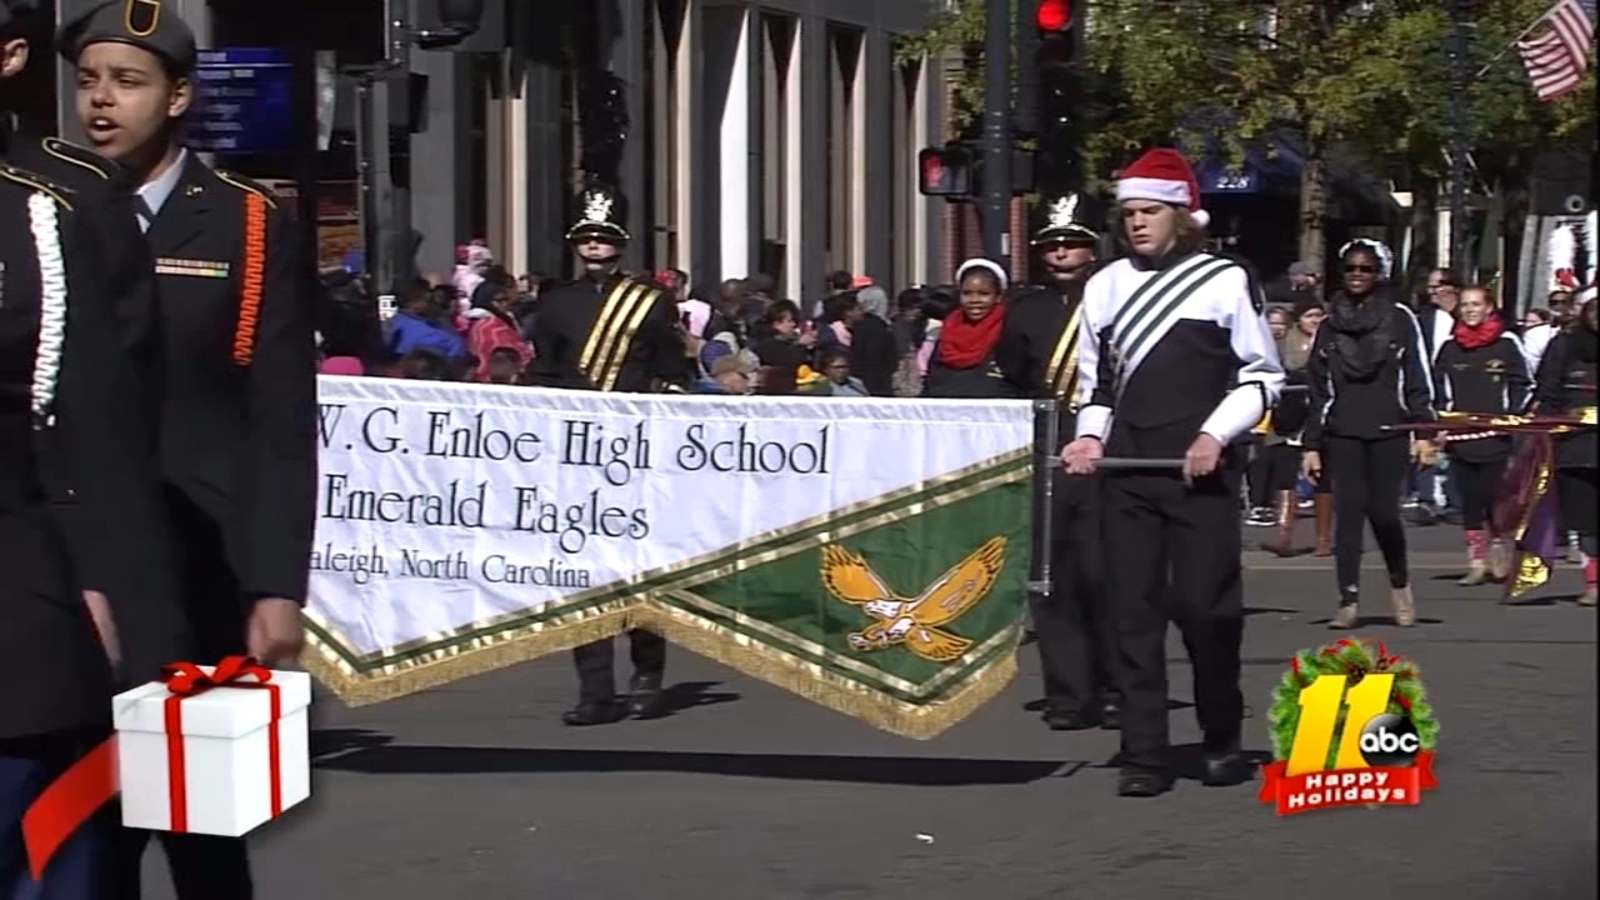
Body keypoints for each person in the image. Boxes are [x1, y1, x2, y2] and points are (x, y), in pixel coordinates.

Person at [61, 3, 315, 896]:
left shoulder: (246, 223)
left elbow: (279, 420)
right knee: (74, 837)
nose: (100, 101)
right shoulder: (45, 206)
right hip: (66, 566)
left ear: (176, 97)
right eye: (88, 80)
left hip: (199, 563)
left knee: (199, 829)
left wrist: (278, 586)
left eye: (126, 82)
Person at [1, 89, 188, 899]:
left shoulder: (54, 209)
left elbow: (105, 413)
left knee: (56, 860)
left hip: (25, 595)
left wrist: (108, 575)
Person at [1061, 148, 1285, 797]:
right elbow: (1096, 385)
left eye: (1149, 211)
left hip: (1199, 472)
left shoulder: (1223, 280)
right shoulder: (1103, 286)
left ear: (1181, 215)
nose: (1136, 223)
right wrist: (1087, 440)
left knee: (1206, 612)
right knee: (1130, 612)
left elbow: (1262, 376)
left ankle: (1220, 732)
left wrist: (1215, 434)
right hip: (1128, 471)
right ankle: (1144, 753)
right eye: (1128, 212)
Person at [527, 182, 686, 725]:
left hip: (635, 449)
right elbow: (542, 373)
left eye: (604, 237)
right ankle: (595, 691)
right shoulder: (554, 302)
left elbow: (675, 374)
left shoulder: (650, 301)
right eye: (586, 237)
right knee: (581, 572)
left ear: (620, 243)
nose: (594, 246)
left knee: (639, 569)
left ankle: (647, 670)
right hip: (575, 452)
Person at [1000, 193, 1120, 731]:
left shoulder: (1117, 300)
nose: (1062, 255)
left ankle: (1116, 686)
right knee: (1053, 577)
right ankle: (1068, 694)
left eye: (1073, 245)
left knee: (1110, 574)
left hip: (1111, 449)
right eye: (1053, 246)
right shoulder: (1024, 309)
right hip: (1049, 446)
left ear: (1092, 251)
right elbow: (1016, 375)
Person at [1302, 241, 1435, 630]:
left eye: (1366, 269)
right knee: (1349, 515)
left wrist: (1424, 430)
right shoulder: (1329, 324)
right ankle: (1349, 600)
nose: (1357, 275)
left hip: (1390, 429)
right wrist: (1310, 444)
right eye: (1350, 268)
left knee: (1383, 513)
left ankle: (1399, 581)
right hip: (1343, 431)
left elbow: (1417, 376)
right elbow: (1318, 388)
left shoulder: (1399, 318)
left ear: (1380, 274)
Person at [1432, 286, 1529, 586]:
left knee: (1494, 497)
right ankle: (1476, 560)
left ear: (1489, 308)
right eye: (1465, 305)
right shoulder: (1450, 347)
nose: (1470, 309)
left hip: (1496, 437)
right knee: (1470, 500)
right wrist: (1440, 425)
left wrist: (1510, 418)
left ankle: (1498, 547)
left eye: (1476, 304)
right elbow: (1438, 390)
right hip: (1462, 438)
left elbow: (1522, 384)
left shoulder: (1506, 343)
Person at [1531, 295, 1597, 606]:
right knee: (1585, 518)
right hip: (1575, 444)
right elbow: (1548, 388)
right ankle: (1593, 582)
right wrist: (1549, 422)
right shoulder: (1565, 345)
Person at [1261, 297, 1328, 556]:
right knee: (1284, 475)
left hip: (1320, 414)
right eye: (1309, 315)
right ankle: (1283, 536)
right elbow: (1283, 368)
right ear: (1298, 319)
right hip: (1288, 415)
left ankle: (1323, 540)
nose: (1314, 321)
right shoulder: (1283, 343)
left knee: (1324, 475)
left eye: (1318, 315)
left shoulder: (1333, 340)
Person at [922, 260, 1017, 398]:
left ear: (998, 296)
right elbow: (932, 379)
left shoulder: (1010, 331)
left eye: (984, 293)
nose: (974, 300)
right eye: (967, 293)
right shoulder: (947, 330)